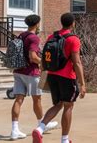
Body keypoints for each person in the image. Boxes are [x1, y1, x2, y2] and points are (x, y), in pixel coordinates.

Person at [32, 13, 86, 143]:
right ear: (73, 23)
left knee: (58, 104)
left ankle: (40, 129)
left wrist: (43, 72)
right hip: (67, 77)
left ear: (61, 23)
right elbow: (77, 62)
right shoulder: (73, 39)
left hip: (52, 76)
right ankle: (64, 140)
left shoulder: (52, 37)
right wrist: (82, 83)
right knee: (68, 106)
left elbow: (45, 57)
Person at [10, 14, 58, 140]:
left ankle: (14, 130)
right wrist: (44, 63)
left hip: (18, 70)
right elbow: (33, 56)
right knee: (37, 99)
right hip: (31, 73)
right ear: (37, 24)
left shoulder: (22, 35)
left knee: (18, 100)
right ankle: (41, 124)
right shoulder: (34, 38)